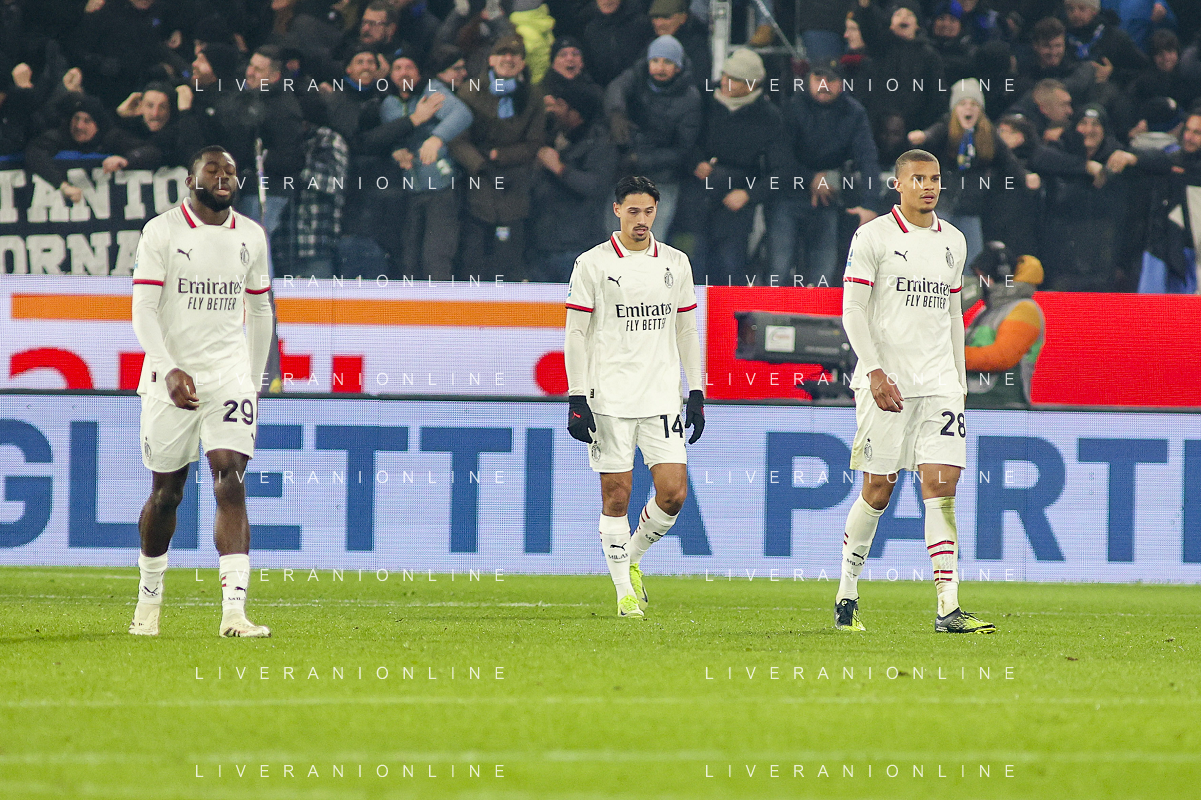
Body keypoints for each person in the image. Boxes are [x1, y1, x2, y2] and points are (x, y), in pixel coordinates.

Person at [835, 148, 995, 634]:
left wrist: (958, 381)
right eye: (919, 178)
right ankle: (846, 592)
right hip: (887, 384)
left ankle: (948, 607)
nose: (929, 186)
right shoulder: (873, 236)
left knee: (942, 487)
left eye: (935, 178)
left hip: (940, 384)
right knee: (878, 490)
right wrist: (874, 371)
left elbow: (953, 314)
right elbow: (852, 310)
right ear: (898, 184)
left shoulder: (954, 241)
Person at [128, 145, 274, 639]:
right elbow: (143, 309)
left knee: (230, 479)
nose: (223, 177)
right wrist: (167, 368)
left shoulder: (250, 235)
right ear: (191, 180)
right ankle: (149, 601)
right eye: (212, 170)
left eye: (230, 171)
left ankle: (234, 613)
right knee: (166, 495)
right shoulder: (162, 232)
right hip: (169, 380)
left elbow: (260, 310)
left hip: (227, 377)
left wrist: (251, 381)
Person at [564, 175, 704, 618]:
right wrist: (576, 397)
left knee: (673, 494)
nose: (641, 220)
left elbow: (686, 329)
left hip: (662, 397)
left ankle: (633, 557)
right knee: (617, 497)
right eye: (633, 211)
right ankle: (625, 593)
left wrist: (696, 390)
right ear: (617, 210)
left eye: (649, 211)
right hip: (609, 398)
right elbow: (576, 333)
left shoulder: (676, 263)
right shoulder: (592, 263)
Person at [771, 61, 882, 286]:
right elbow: (780, 157)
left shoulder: (853, 112)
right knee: (778, 269)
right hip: (787, 194)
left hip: (830, 198)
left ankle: (818, 310)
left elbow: (868, 158)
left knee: (824, 273)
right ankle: (770, 310)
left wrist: (870, 205)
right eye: (818, 78)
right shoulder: (792, 107)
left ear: (841, 84)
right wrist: (811, 179)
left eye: (830, 80)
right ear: (808, 80)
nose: (823, 85)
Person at [908, 78, 1033, 266]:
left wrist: (1025, 176)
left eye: (974, 104)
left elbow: (1008, 160)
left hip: (971, 208)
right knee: (936, 258)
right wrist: (922, 137)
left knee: (972, 260)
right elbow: (931, 137)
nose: (969, 108)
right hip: (942, 205)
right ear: (954, 109)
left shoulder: (988, 134)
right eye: (963, 103)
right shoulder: (945, 127)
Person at [451, 34, 546, 279]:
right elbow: (457, 139)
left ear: (523, 63)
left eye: (515, 55)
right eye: (502, 53)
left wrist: (500, 155)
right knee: (473, 257)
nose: (508, 58)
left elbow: (535, 142)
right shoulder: (470, 91)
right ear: (491, 60)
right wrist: (480, 164)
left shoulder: (533, 95)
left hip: (515, 184)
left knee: (509, 259)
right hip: (476, 181)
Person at [378, 50, 473, 279]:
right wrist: (395, 151)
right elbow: (388, 136)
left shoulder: (431, 91)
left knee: (436, 256)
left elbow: (462, 114)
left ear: (419, 73)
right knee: (409, 258)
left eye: (409, 67)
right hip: (408, 190)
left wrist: (436, 138)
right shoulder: (387, 103)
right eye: (398, 68)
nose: (404, 73)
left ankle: (440, 301)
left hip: (441, 187)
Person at [604, 35, 702, 242]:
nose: (660, 67)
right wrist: (616, 113)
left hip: (662, 181)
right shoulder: (636, 76)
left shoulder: (690, 98)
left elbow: (683, 149)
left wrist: (641, 160)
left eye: (668, 62)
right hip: (626, 176)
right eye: (655, 61)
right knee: (616, 239)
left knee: (649, 240)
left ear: (678, 67)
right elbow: (616, 88)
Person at [530, 82, 618, 280]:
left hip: (577, 245)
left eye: (560, 105)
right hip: (541, 242)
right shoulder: (551, 133)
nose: (554, 110)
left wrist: (560, 169)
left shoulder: (601, 143)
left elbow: (595, 185)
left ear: (576, 112)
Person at [964, 242, 1046, 408]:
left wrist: (950, 357)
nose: (977, 282)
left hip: (1006, 407)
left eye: (980, 276)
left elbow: (1002, 357)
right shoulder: (986, 311)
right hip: (976, 403)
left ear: (996, 277)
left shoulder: (1025, 309)